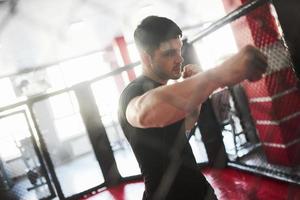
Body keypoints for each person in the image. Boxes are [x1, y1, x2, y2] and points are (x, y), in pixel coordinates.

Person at [118, 16, 267, 200]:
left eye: (179, 50)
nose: (179, 58)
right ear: (146, 58)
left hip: (200, 190)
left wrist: (195, 95)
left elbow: (186, 126)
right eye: (169, 53)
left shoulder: (166, 88)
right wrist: (218, 75)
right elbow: (143, 113)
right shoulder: (132, 93)